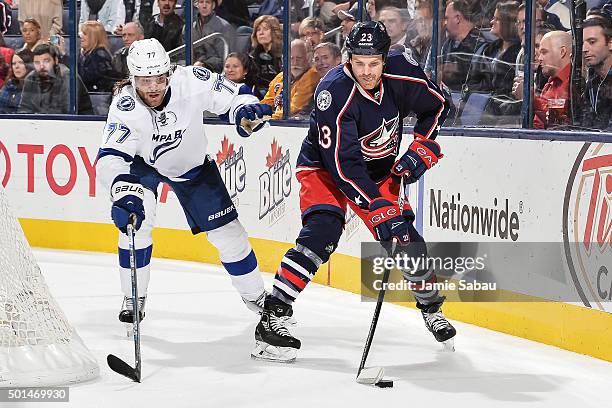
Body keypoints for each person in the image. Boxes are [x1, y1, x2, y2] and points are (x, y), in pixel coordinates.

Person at [251, 21, 455, 362]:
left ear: (385, 58)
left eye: (373, 63)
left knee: (406, 241)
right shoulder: (334, 91)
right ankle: (273, 315)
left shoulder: (404, 72)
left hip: (379, 170)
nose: (366, 71)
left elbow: (439, 105)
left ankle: (431, 307)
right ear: (348, 59)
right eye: (358, 63)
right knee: (322, 232)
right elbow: (343, 165)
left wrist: (422, 145)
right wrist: (376, 207)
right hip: (325, 169)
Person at [96, 38, 274, 329]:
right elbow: (110, 157)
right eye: (143, 80)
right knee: (136, 224)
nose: (152, 87)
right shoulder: (125, 106)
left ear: (169, 72)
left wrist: (245, 110)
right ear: (132, 78)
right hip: (144, 166)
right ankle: (133, 298)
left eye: (158, 78)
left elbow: (234, 94)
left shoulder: (191, 80)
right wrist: (121, 190)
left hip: (191, 165)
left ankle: (257, 299)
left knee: (229, 235)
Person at [19, 43, 93, 114]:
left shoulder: (68, 77)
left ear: (56, 60)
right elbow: (24, 108)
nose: (41, 66)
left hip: (77, 123)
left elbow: (66, 111)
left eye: (46, 61)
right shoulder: (31, 78)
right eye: (37, 62)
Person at [261, 38, 320, 119]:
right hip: (275, 123)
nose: (295, 63)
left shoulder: (312, 76)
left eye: (299, 58)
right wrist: (257, 112)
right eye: (291, 58)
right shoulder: (280, 77)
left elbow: (293, 109)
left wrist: (267, 118)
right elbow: (266, 102)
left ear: (309, 59)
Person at [439, 0, 488, 91]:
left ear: (457, 18)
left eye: (447, 18)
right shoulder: (447, 44)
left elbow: (484, 83)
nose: (445, 23)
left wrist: (455, 69)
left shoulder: (481, 45)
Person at [533, 30, 572, 128]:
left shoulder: (575, 82)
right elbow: (538, 125)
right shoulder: (549, 84)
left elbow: (560, 122)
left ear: (562, 52)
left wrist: (532, 99)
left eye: (544, 52)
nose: (540, 58)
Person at [581, 16, 612, 130]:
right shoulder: (592, 80)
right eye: (583, 43)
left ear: (610, 43)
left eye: (592, 42)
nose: (584, 49)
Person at [192, 0, 236, 73]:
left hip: (215, 73)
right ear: (197, 5)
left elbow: (227, 59)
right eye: (201, 2)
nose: (204, 6)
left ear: (213, 6)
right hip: (192, 70)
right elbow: (183, 54)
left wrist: (205, 64)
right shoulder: (189, 28)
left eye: (208, 2)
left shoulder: (224, 27)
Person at [79, 21, 121, 92]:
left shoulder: (99, 56)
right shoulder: (86, 54)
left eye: (85, 34)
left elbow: (90, 79)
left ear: (94, 38)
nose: (81, 36)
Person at [249, 15, 282, 93]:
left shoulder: (285, 53)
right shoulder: (252, 56)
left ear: (275, 31)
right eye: (258, 30)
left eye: (265, 29)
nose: (261, 33)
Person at [0, 48, 34, 113]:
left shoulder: (37, 86)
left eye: (21, 63)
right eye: (13, 64)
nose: (16, 67)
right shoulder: (10, 84)